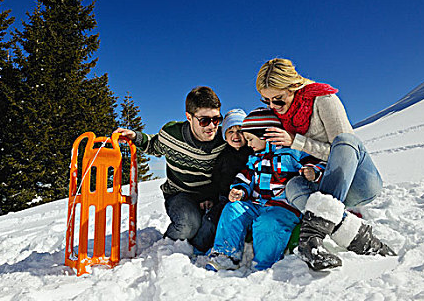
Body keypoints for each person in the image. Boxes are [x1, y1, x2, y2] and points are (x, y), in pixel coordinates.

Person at [255, 58, 395, 271]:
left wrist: (296, 142)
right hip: (325, 184)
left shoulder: (324, 99)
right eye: (267, 101)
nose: (273, 107)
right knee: (293, 186)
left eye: (278, 100)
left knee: (345, 140)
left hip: (357, 180)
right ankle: (355, 241)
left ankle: (311, 236)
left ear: (294, 86)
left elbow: (344, 151)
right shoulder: (284, 115)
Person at [206, 108, 326, 271]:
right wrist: (240, 190)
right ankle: (226, 254)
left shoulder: (291, 153)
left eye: (250, 138)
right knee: (232, 209)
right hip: (256, 204)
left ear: (264, 135)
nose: (248, 143)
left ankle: (263, 263)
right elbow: (246, 176)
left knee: (268, 224)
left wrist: (313, 171)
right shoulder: (255, 158)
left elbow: (317, 161)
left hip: (282, 207)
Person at [115, 86, 226, 253]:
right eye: (204, 120)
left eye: (216, 119)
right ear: (189, 117)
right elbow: (154, 145)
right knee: (188, 225)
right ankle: (163, 251)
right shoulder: (172, 134)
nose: (212, 126)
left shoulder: (223, 140)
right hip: (179, 193)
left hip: (210, 196)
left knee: (209, 232)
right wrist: (135, 137)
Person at [207, 109, 254, 226]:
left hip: (249, 197)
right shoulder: (223, 156)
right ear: (225, 136)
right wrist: (211, 198)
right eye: (230, 131)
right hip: (225, 197)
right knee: (212, 221)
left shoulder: (253, 152)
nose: (236, 135)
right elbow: (215, 179)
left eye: (240, 131)